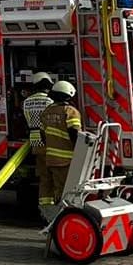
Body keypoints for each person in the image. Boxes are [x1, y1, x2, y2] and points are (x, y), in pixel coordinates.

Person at [37, 80, 82, 214]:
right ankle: (64, 215)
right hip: (67, 159)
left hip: (50, 158)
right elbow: (75, 134)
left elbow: (42, 134)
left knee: (53, 185)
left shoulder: (47, 112)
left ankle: (50, 212)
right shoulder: (70, 111)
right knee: (66, 189)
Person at [21, 71, 54, 213]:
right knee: (55, 174)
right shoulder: (50, 101)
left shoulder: (26, 102)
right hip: (50, 140)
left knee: (43, 175)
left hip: (35, 141)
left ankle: (44, 207)